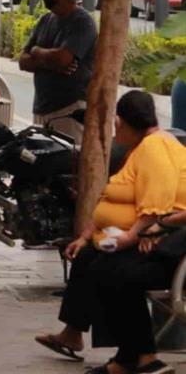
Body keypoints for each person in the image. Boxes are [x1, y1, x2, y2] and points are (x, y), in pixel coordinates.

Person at [34, 91, 186, 374]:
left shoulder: (155, 147)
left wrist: (134, 235)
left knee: (109, 271)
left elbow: (156, 204)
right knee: (88, 254)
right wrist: (88, 233)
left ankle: (138, 357)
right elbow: (113, 199)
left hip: (163, 242)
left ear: (120, 121)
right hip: (144, 234)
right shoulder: (141, 148)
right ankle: (86, 338)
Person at [19, 0, 97, 142]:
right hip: (41, 108)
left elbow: (63, 59)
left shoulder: (83, 22)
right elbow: (23, 61)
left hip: (69, 111)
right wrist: (50, 62)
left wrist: (37, 52)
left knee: (67, 162)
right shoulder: (46, 20)